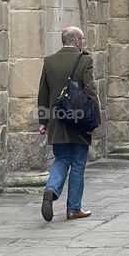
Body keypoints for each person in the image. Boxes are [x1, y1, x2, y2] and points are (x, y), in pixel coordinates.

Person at [38, 26, 100, 222]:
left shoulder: (49, 61)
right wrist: (94, 120)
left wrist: (43, 121)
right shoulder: (85, 60)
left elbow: (43, 94)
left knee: (62, 159)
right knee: (78, 164)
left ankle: (52, 188)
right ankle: (73, 208)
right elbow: (91, 92)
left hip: (58, 121)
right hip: (80, 121)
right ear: (78, 42)